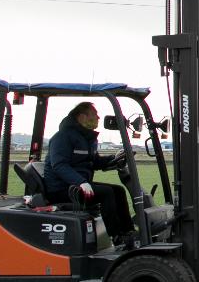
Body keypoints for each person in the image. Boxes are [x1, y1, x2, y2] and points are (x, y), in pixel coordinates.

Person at [43, 101, 134, 246]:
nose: (98, 118)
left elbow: (93, 161)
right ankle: (117, 236)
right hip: (61, 188)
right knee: (106, 193)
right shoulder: (63, 137)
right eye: (94, 114)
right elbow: (59, 165)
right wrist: (81, 182)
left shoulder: (86, 138)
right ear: (82, 117)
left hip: (78, 184)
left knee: (118, 190)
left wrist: (114, 158)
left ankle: (129, 232)